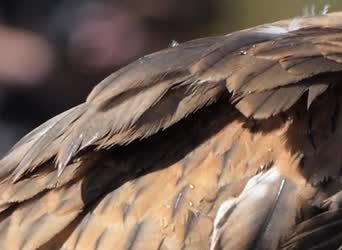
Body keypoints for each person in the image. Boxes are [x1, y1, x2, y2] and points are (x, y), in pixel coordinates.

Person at [0, 0, 220, 151]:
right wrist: (49, 56)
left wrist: (141, 29)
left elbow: (200, 17)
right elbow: (28, 62)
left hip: (95, 123)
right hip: (21, 129)